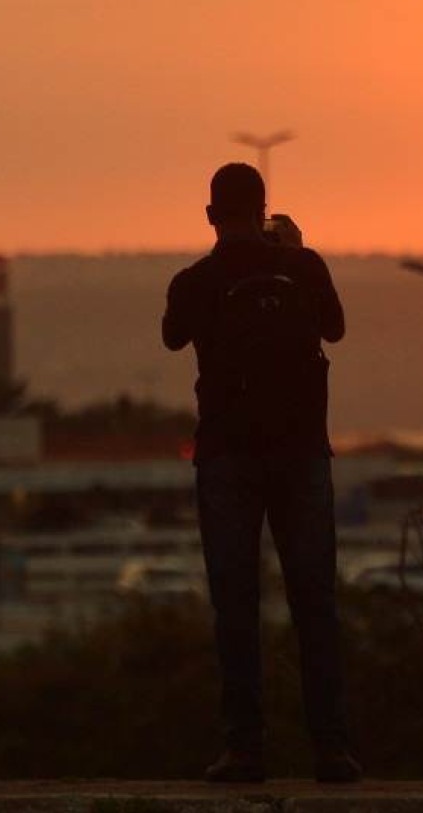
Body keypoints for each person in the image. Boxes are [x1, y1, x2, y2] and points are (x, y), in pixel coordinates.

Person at [161, 161, 361, 785]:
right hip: (301, 453)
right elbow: (335, 327)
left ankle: (244, 748)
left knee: (236, 605)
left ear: (211, 214)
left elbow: (172, 338)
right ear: (265, 207)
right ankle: (330, 748)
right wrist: (295, 251)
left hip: (227, 456)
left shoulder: (196, 279)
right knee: (314, 604)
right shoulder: (303, 268)